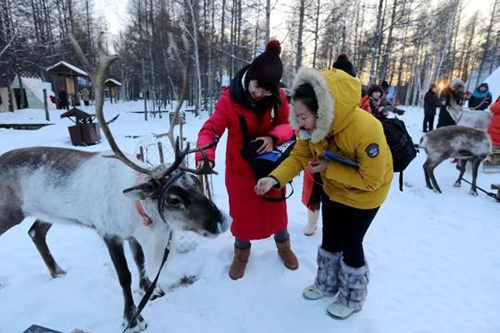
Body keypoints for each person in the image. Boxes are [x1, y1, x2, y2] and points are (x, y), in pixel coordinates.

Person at [255, 68, 393, 319]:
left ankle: (352, 297)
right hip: (334, 190)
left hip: (366, 196)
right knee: (330, 238)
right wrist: (273, 178)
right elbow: (298, 156)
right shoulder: (311, 129)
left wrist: (330, 167)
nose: (299, 123)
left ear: (323, 112)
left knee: (351, 242)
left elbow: (371, 179)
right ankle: (327, 283)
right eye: (296, 116)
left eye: (303, 117)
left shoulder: (366, 129)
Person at [195, 40, 298, 280]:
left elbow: (289, 125)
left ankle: (284, 247)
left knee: (277, 212)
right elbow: (211, 129)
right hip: (240, 172)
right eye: (257, 87)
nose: (260, 94)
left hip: (269, 167)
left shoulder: (278, 97)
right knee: (243, 218)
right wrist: (204, 154)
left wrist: (273, 138)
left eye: (266, 91)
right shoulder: (229, 100)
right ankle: (241, 256)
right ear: (249, 76)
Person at [487, 96, 500, 164]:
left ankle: (493, 158)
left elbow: (492, 108)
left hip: (495, 130)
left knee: (493, 144)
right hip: (495, 129)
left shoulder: (498, 105)